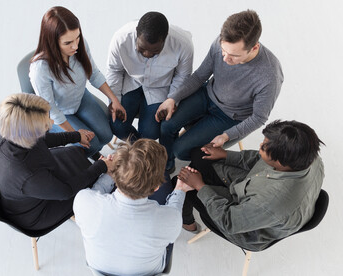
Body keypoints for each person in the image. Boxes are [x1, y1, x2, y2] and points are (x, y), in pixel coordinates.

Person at [157, 10, 284, 172]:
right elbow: (199, 77)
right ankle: (165, 166)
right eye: (224, 51)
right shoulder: (220, 43)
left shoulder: (270, 75)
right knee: (166, 125)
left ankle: (173, 155)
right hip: (207, 95)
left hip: (230, 117)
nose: (225, 58)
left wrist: (227, 135)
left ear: (254, 48)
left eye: (233, 55)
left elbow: (259, 118)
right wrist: (172, 98)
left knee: (180, 150)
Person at [178, 120, 325, 251]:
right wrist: (225, 155)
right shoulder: (310, 158)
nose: (260, 145)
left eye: (264, 147)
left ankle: (188, 223)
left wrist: (200, 186)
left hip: (237, 225)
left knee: (181, 185)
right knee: (198, 155)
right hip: (249, 186)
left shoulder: (270, 204)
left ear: (280, 162)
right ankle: (197, 182)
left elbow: (229, 222)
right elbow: (259, 159)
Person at [0, 93, 112, 231]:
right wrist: (101, 166)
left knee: (75, 153)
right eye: (45, 124)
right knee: (92, 188)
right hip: (36, 213)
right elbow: (65, 191)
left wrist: (75, 136)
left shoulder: (1, 125)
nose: (52, 123)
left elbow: (41, 139)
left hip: (21, 186)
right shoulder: (27, 175)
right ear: (30, 134)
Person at [73, 139, 193, 275]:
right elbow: (174, 212)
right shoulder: (170, 219)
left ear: (117, 174)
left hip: (99, 268)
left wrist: (108, 175)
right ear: (156, 187)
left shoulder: (84, 200)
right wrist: (180, 190)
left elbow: (95, 192)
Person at [29, 6, 126, 160]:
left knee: (106, 135)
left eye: (78, 37)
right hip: (60, 112)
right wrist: (74, 135)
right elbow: (52, 110)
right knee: (91, 145)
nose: (75, 46)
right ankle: (88, 159)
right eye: (68, 43)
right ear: (52, 42)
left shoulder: (79, 46)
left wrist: (114, 99)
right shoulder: (40, 69)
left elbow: (93, 73)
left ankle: (92, 153)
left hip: (80, 98)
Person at [106, 11, 193, 146]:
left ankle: (140, 152)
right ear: (136, 33)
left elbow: (182, 76)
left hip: (160, 88)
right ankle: (141, 152)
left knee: (150, 133)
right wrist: (114, 99)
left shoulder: (183, 44)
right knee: (116, 125)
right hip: (130, 84)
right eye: (141, 49)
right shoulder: (120, 38)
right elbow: (114, 70)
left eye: (155, 52)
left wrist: (172, 99)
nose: (147, 54)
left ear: (165, 39)